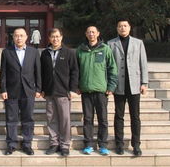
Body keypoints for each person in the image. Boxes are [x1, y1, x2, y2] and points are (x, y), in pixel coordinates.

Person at [108, 19, 148, 156]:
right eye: (120, 26)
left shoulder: (138, 43)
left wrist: (144, 83)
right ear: (117, 28)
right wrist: (110, 85)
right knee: (118, 116)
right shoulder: (111, 44)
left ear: (129, 28)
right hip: (118, 86)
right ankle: (119, 144)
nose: (122, 28)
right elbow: (109, 66)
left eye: (125, 26)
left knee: (135, 116)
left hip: (134, 85)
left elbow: (143, 64)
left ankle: (136, 144)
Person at [0, 27, 42, 155]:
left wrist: (38, 88)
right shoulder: (7, 52)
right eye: (16, 36)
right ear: (13, 38)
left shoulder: (34, 52)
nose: (19, 38)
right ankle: (11, 144)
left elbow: (38, 72)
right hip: (11, 90)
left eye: (21, 35)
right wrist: (3, 89)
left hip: (28, 90)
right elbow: (3, 73)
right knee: (11, 118)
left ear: (26, 37)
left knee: (28, 118)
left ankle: (27, 144)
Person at [76, 25, 117, 156]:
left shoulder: (105, 49)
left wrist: (111, 87)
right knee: (88, 119)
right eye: (89, 32)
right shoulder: (80, 50)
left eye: (93, 32)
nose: (91, 34)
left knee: (103, 119)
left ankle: (103, 145)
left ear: (98, 33)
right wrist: (77, 85)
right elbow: (75, 70)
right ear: (86, 34)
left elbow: (112, 69)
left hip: (101, 90)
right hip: (86, 90)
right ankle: (88, 144)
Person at [40, 28, 79, 157]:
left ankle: (65, 145)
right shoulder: (45, 53)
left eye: (57, 36)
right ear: (49, 38)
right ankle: (54, 143)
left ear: (61, 37)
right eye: (53, 37)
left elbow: (75, 72)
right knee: (51, 119)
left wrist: (73, 89)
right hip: (50, 92)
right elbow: (42, 73)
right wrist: (42, 89)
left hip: (64, 92)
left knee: (65, 120)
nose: (55, 39)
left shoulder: (69, 52)